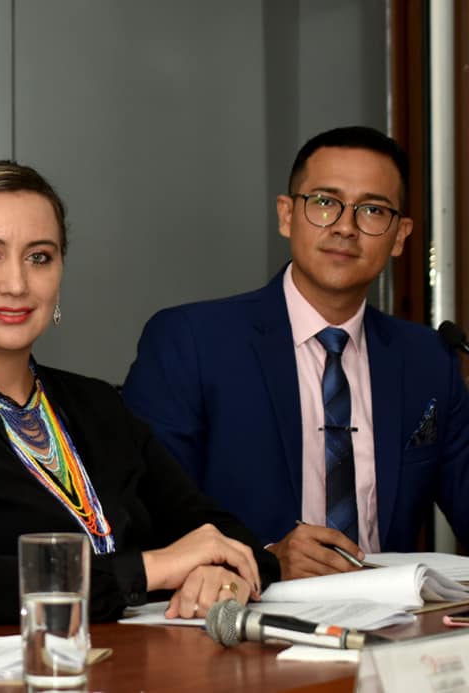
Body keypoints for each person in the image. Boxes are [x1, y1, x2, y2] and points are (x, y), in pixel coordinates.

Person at [0, 161, 280, 626]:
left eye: (39, 257)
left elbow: (221, 533)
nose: (16, 284)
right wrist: (150, 569)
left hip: (133, 656)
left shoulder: (98, 404)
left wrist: (221, 574)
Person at [122, 126, 469, 580]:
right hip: (244, 612)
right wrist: (267, 558)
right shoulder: (190, 341)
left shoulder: (429, 359)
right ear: (287, 215)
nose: (345, 227)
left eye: (372, 210)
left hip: (390, 614)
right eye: (324, 202)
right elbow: (145, 518)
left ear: (400, 236)